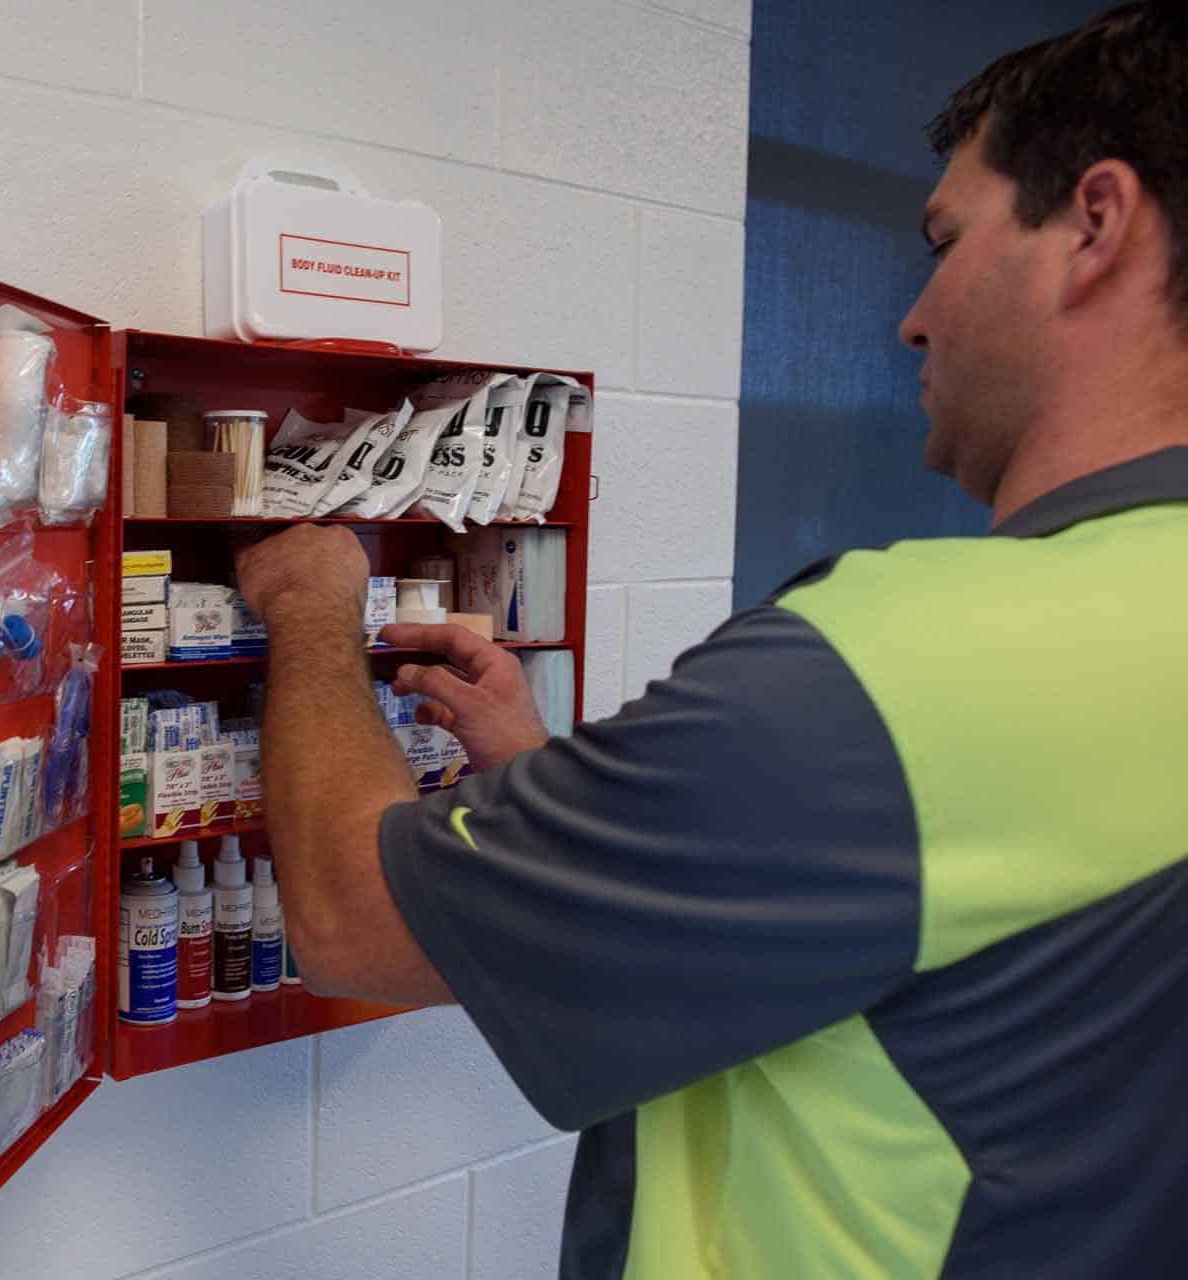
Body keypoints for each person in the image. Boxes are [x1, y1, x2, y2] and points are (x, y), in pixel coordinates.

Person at [232, 5, 1188, 1276]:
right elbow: (915, 939)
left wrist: (308, 605)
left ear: (1095, 224)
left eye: (945, 242)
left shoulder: (898, 673)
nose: (912, 317)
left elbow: (353, 919)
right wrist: (536, 780)